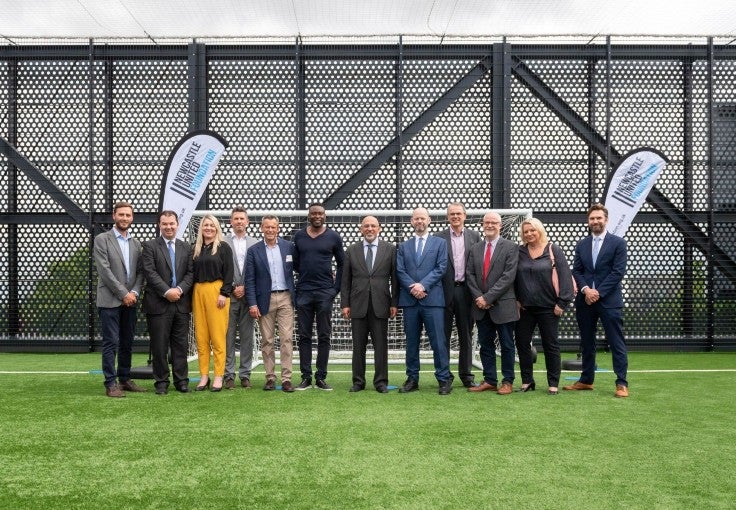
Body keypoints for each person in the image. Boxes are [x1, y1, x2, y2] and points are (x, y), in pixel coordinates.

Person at [565, 203, 629, 398]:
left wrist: (598, 292)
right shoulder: (581, 244)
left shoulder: (618, 243)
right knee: (587, 342)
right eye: (592, 218)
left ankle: (621, 383)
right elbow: (577, 271)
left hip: (609, 301)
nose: (595, 221)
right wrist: (585, 290)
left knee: (616, 342)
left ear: (606, 220)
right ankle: (586, 380)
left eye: (598, 218)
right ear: (588, 221)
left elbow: (617, 272)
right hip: (585, 302)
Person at [514, 217, 574, 395]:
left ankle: (553, 383)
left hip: (549, 308)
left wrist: (562, 303)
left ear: (539, 231)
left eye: (532, 230)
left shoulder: (553, 249)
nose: (529, 234)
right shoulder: (519, 252)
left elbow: (565, 277)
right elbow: (513, 278)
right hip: (525, 309)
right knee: (522, 344)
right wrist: (517, 299)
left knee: (551, 345)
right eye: (526, 232)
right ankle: (527, 381)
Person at [396, 207, 452, 395]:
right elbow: (400, 271)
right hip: (410, 301)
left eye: (423, 218)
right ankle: (412, 379)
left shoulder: (440, 243)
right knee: (411, 342)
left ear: (429, 221)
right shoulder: (404, 246)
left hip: (433, 300)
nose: (419, 221)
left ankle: (444, 379)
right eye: (416, 219)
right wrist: (413, 287)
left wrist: (423, 286)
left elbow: (441, 267)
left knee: (438, 341)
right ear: (412, 222)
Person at [340, 216, 399, 393]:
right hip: (357, 305)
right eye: (366, 226)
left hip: (381, 304)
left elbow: (395, 279)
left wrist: (394, 302)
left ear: (379, 228)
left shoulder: (390, 249)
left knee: (381, 346)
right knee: (358, 346)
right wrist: (345, 304)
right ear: (361, 229)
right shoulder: (351, 250)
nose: (370, 229)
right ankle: (358, 381)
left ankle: (381, 381)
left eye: (373, 226)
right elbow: (345, 280)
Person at [93, 201, 145, 397]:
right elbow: (104, 270)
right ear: (114, 216)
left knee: (127, 342)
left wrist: (134, 293)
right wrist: (124, 294)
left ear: (132, 218)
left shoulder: (136, 244)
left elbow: (140, 273)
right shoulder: (102, 239)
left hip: (131, 300)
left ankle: (124, 379)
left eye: (128, 215)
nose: (124, 218)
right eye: (121, 214)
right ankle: (110, 383)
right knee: (111, 342)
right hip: (110, 301)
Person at [141, 210, 194, 395]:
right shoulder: (149, 246)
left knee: (181, 346)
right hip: (158, 304)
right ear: (159, 225)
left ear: (177, 224)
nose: (169, 227)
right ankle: (161, 382)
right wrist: (166, 291)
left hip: (181, 304)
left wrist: (178, 290)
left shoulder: (186, 247)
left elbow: (190, 273)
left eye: (172, 223)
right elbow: (149, 272)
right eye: (165, 224)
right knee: (159, 346)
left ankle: (181, 381)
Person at [293, 203, 344, 391]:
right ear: (308, 216)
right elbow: (296, 264)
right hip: (304, 292)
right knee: (304, 336)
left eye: (320, 213)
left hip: (325, 293)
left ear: (325, 216)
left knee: (324, 336)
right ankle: (305, 377)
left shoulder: (333, 237)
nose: (317, 216)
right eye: (313, 213)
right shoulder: (298, 236)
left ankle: (321, 377)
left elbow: (342, 265)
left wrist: (334, 290)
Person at [466, 211, 518, 395]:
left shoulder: (511, 247)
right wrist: (479, 297)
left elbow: (508, 277)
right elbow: (469, 275)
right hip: (480, 307)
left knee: (506, 345)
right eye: (486, 222)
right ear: (482, 224)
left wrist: (488, 297)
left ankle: (507, 381)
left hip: (502, 306)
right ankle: (489, 379)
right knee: (485, 344)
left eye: (493, 223)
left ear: (500, 225)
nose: (489, 225)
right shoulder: (475, 248)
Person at [245, 215, 296, 392]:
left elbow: (300, 268)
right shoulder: (254, 250)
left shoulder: (289, 247)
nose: (270, 230)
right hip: (263, 299)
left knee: (286, 339)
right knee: (266, 340)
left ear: (278, 228)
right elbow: (249, 279)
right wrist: (252, 303)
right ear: (261, 228)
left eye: (273, 227)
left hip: (285, 298)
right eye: (267, 227)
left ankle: (287, 378)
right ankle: (270, 378)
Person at [437, 202, 481, 388]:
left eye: (458, 213)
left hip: (465, 291)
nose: (455, 216)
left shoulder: (474, 236)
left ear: (465, 215)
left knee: (466, 335)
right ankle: (445, 375)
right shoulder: (438, 238)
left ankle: (466, 374)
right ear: (448, 217)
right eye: (452, 214)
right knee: (443, 336)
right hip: (444, 293)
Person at [192, 214, 233, 392]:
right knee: (201, 337)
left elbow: (229, 272)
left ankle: (218, 376)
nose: (208, 228)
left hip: (216, 292)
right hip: (198, 291)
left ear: (217, 228)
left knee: (217, 337)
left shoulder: (223, 247)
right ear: (201, 228)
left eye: (212, 225)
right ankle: (203, 376)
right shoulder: (196, 248)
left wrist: (224, 293)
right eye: (205, 225)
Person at [223, 207, 258, 390]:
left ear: (247, 222)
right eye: (235, 218)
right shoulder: (222, 242)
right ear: (231, 221)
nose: (239, 222)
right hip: (228, 297)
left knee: (247, 337)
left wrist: (246, 288)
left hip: (248, 297)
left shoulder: (255, 242)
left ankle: (245, 374)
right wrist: (232, 289)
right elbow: (220, 269)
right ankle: (229, 375)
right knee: (227, 337)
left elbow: (258, 270)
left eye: (242, 219)